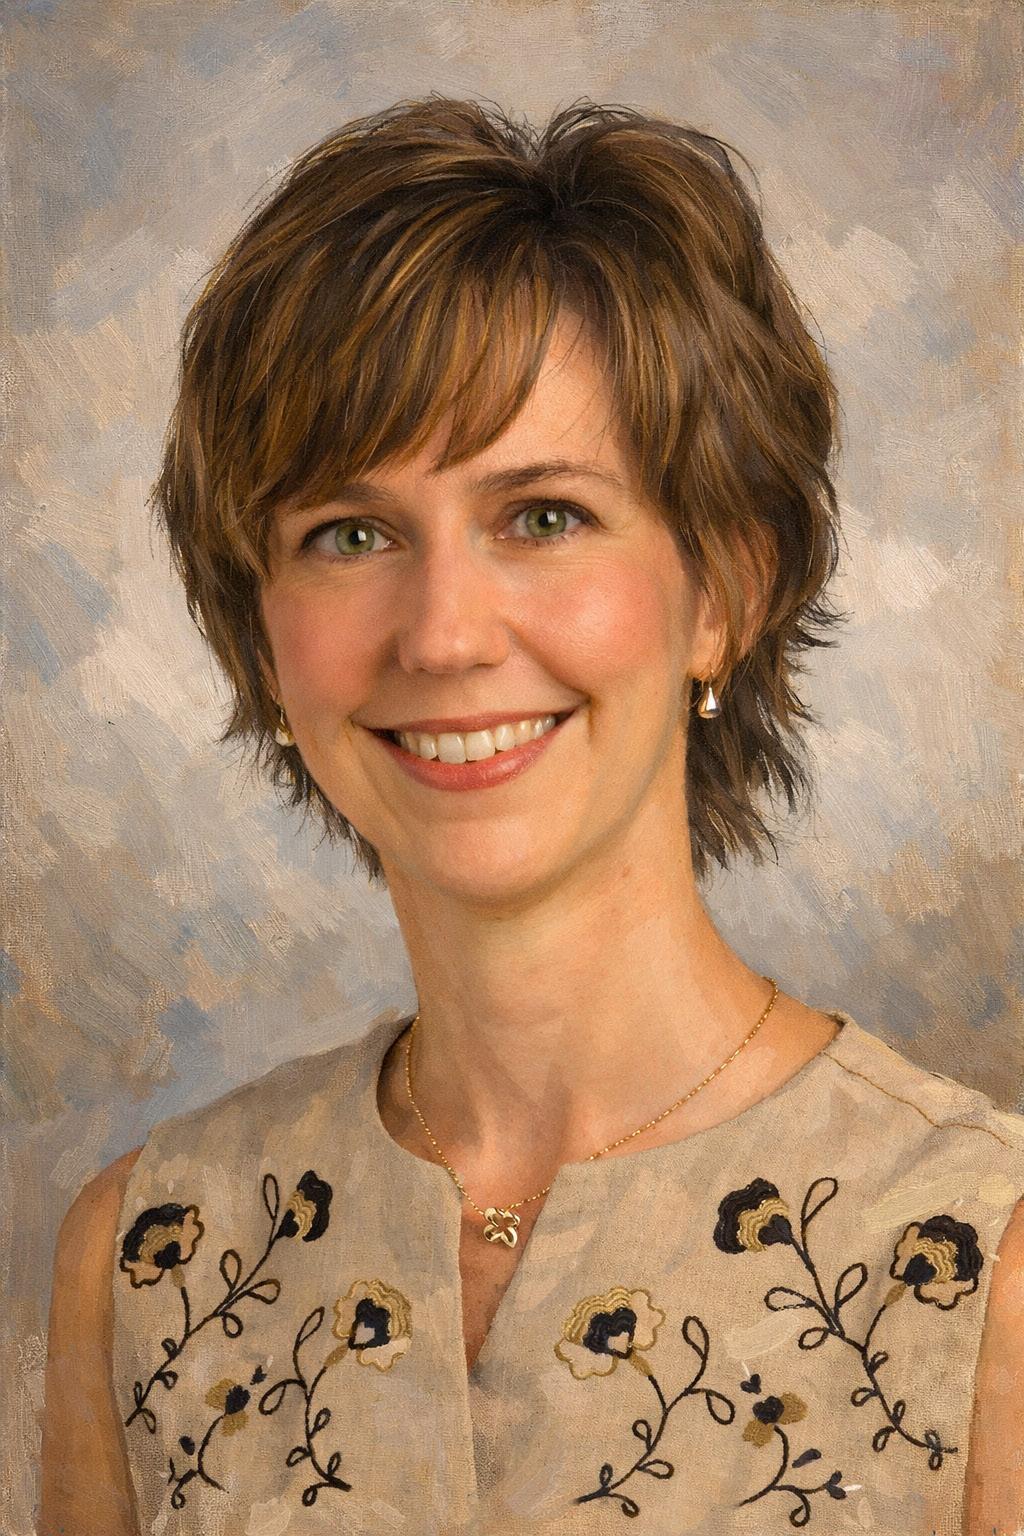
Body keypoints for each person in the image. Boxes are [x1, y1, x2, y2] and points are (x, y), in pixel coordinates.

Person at [40, 95, 1023, 1536]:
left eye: (544, 515)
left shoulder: (985, 1268)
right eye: (350, 534)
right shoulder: (146, 1262)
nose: (443, 635)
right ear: (262, 637)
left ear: (726, 590)